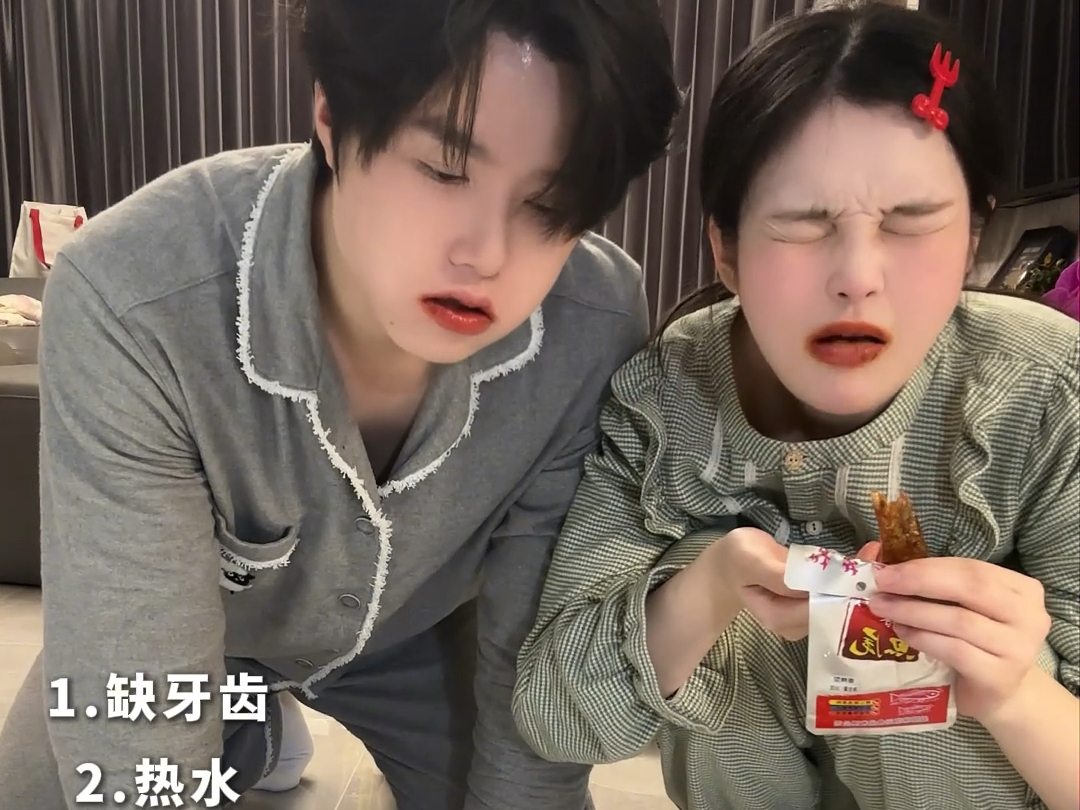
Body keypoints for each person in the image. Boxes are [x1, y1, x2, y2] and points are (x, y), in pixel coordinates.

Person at [0, 1, 681, 808]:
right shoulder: (134, 293)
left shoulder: (592, 321)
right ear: (332, 117)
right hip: (197, 623)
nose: (487, 254)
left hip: (419, 634)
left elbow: (529, 663)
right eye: (445, 170)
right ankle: (246, 722)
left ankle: (248, 725)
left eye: (550, 203)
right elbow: (132, 728)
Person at [512, 5, 1079, 810]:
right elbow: (556, 716)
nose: (858, 278)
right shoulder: (666, 396)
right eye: (804, 225)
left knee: (944, 636)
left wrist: (1013, 691)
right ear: (726, 249)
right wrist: (708, 590)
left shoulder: (1049, 391)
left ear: (973, 241)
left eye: (912, 223)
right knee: (717, 588)